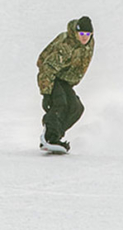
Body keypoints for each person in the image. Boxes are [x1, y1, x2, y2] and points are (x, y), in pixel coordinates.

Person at [37, 16, 95, 152]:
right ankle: (49, 136)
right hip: (51, 76)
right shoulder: (67, 46)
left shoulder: (89, 43)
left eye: (88, 34)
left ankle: (55, 136)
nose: (85, 37)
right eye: (82, 34)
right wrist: (46, 93)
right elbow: (47, 67)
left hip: (65, 79)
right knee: (60, 103)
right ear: (76, 33)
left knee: (76, 108)